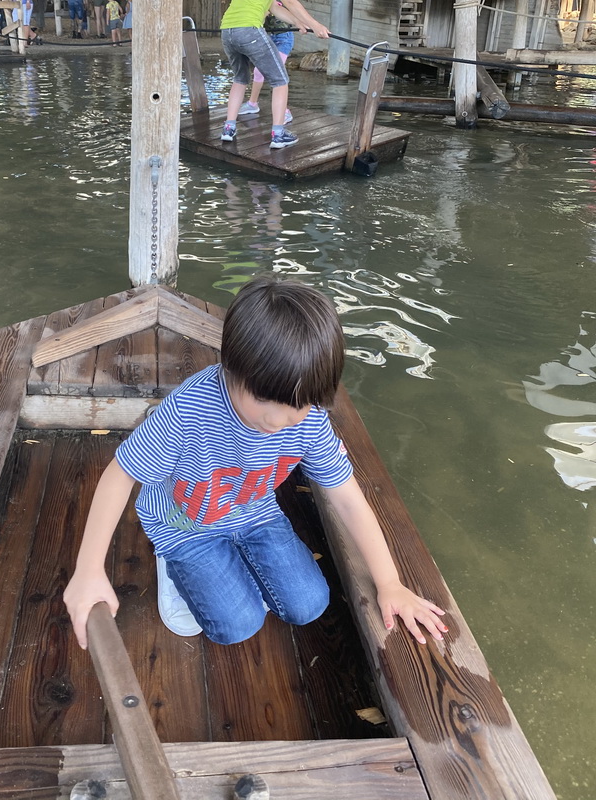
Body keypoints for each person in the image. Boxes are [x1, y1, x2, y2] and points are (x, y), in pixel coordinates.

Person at [63, 275, 449, 650]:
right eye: (265, 399)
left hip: (254, 511)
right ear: (233, 368)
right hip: (185, 521)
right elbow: (119, 476)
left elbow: (347, 496)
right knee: (236, 625)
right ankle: (172, 561)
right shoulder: (187, 411)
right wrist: (88, 569)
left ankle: (230, 568)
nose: (279, 421)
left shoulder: (310, 418)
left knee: (309, 605)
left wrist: (390, 583)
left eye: (297, 405)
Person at [219, 0, 329, 149]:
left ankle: (228, 129)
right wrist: (316, 25)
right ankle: (278, 135)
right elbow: (288, 0)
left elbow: (276, 9)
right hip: (249, 30)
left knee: (240, 79)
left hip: (227, 31)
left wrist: (299, 23)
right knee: (280, 80)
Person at [239, 0, 309, 122]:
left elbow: (275, 11)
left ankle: (285, 111)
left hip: (284, 38)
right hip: (268, 36)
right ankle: (252, 103)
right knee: (258, 71)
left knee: (276, 74)